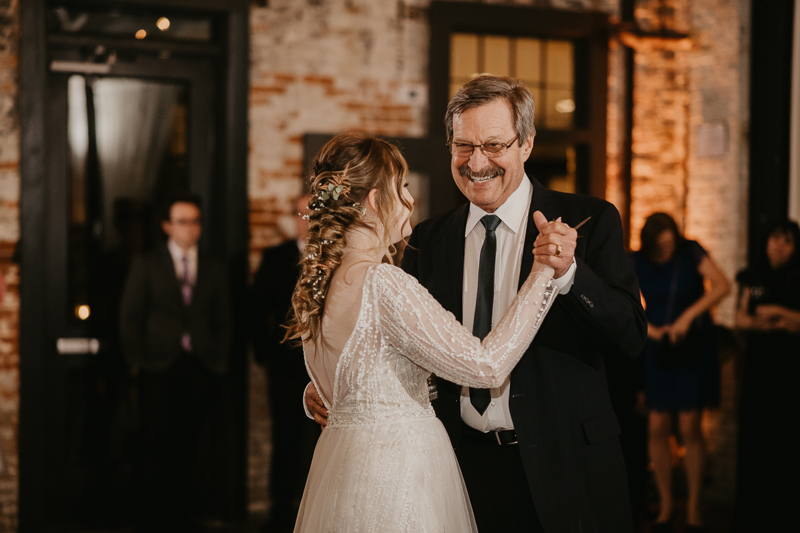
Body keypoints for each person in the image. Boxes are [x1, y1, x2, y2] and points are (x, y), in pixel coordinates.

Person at [306, 75, 647, 533]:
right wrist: (334, 386)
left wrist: (567, 273)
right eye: (463, 146)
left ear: (525, 144)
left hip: (567, 465)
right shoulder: (426, 240)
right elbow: (386, 340)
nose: (477, 162)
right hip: (454, 472)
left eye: (493, 145)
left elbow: (630, 336)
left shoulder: (589, 220)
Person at [285, 131, 559, 532]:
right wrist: (542, 274)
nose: (411, 200)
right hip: (398, 476)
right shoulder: (383, 283)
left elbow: (349, 378)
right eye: (403, 187)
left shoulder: (316, 287)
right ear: (376, 200)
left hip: (343, 471)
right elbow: (485, 368)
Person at [119, 193, 231, 529]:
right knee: (155, 446)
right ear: (167, 226)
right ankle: (154, 519)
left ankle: (183, 518)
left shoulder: (214, 266)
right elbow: (129, 316)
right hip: (157, 367)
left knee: (190, 446)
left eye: (196, 221)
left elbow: (224, 319)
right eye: (183, 221)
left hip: (200, 366)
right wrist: (137, 363)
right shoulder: (148, 263)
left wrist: (219, 359)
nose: (191, 228)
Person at [631, 212, 730, 532]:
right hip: (659, 345)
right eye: (661, 246)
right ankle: (664, 505)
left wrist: (688, 317)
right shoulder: (637, 261)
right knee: (657, 424)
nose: (667, 250)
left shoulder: (692, 252)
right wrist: (652, 330)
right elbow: (625, 303)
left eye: (671, 243)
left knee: (689, 426)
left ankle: (694, 507)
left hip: (691, 345)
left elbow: (721, 286)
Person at [250, 194, 319, 532]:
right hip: (285, 369)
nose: (306, 220)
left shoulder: (333, 258)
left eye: (313, 214)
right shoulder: (276, 257)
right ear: (293, 219)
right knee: (286, 438)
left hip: (324, 370)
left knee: (321, 441)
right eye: (302, 214)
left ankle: (315, 508)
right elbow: (256, 310)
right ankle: (280, 511)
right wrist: (266, 355)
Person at [734, 219, 800, 532]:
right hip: (758, 371)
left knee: (786, 440)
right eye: (775, 238)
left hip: (790, 372)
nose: (779, 245)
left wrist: (776, 313)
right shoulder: (752, 276)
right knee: (756, 438)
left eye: (787, 240)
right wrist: (780, 321)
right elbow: (742, 319)